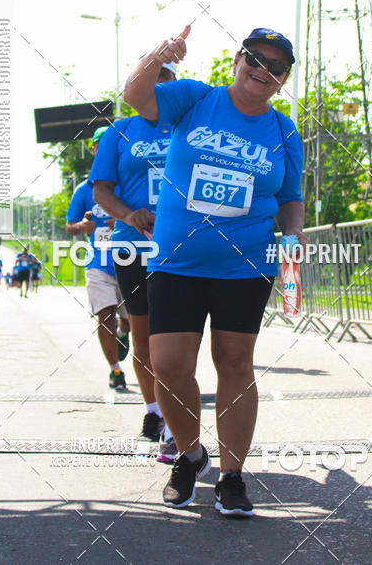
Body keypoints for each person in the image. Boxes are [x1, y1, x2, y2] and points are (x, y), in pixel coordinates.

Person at [124, 26, 307, 516]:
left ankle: (231, 476)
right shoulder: (194, 98)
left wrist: (291, 243)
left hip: (245, 264)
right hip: (177, 260)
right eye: (254, 58)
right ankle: (189, 455)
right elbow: (134, 95)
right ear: (237, 59)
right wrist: (159, 53)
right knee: (168, 365)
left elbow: (290, 200)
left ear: (283, 79)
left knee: (234, 363)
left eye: (275, 66)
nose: (261, 70)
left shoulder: (284, 131)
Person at [91, 64, 179, 460]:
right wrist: (129, 215)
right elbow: (102, 190)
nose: (158, 87)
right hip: (134, 247)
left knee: (177, 340)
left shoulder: (192, 124)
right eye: (151, 80)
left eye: (167, 80)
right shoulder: (118, 132)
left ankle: (178, 421)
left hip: (184, 247)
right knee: (143, 337)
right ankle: (155, 412)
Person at [67, 126, 130, 392]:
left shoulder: (129, 181)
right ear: (93, 150)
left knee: (132, 319)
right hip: (98, 263)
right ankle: (115, 370)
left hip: (131, 261)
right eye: (100, 146)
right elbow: (69, 225)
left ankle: (124, 332)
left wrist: (126, 218)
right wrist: (82, 226)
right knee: (105, 315)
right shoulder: (84, 190)